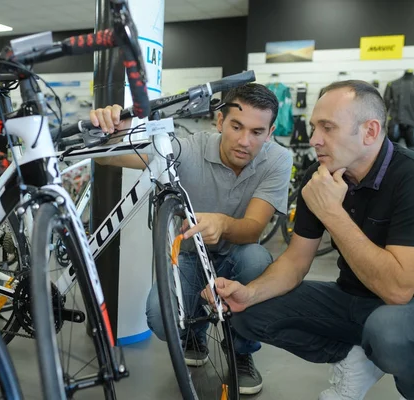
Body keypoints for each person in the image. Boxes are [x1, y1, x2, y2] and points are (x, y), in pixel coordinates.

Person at [204, 80, 414, 400]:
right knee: (246, 312)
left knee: (392, 332)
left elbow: (398, 289)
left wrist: (333, 214)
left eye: (327, 127)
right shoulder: (321, 173)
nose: (314, 139)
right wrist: (249, 292)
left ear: (369, 131)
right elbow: (296, 261)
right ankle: (355, 356)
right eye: (314, 127)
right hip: (353, 298)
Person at [89, 83, 293, 395]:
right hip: (190, 257)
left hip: (239, 255)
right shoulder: (187, 148)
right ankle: (196, 332)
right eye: (236, 126)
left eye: (256, 132)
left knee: (257, 260)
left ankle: (241, 350)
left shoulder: (278, 159)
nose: (244, 141)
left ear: (270, 131)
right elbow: (106, 159)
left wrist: (222, 223)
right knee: (159, 316)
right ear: (220, 120)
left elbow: (253, 229)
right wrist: (111, 127)